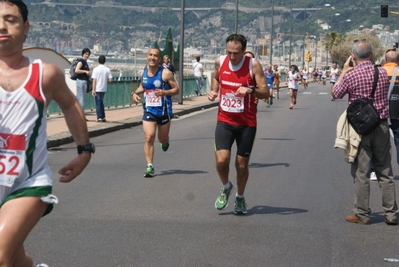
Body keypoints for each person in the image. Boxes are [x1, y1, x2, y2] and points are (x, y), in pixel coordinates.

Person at [0, 1, 93, 266]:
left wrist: (84, 151)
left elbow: (70, 104)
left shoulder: (45, 74)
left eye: (10, 19)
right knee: (13, 256)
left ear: (26, 27)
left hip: (27, 181)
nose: (1, 26)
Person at [332, 40, 398, 225]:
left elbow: (335, 93)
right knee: (385, 170)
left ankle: (362, 213)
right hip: (382, 125)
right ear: (371, 54)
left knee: (362, 171)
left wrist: (345, 70)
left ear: (352, 56)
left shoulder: (351, 76)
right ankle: (391, 213)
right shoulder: (383, 72)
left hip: (360, 128)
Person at [208, 34, 269, 215]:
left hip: (247, 123)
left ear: (244, 51)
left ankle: (240, 197)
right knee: (221, 160)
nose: (232, 57)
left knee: (241, 165)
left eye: (236, 53)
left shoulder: (253, 65)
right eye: (229, 52)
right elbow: (216, 78)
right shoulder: (220, 61)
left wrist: (250, 90)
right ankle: (226, 186)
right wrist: (213, 90)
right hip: (225, 120)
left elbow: (265, 92)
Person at [132, 48, 179, 178]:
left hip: (164, 111)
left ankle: (165, 141)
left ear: (159, 59)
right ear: (147, 57)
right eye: (150, 55)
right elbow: (143, 86)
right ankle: (149, 166)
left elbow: (176, 89)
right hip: (149, 110)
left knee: (161, 139)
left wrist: (165, 92)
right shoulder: (144, 72)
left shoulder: (166, 73)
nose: (152, 58)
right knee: (149, 137)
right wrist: (135, 93)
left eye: (155, 56)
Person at [383, 49, 399, 168]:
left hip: (381, 113)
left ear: (385, 60)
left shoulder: (379, 72)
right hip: (397, 113)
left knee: (379, 143)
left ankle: (376, 170)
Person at [91, 55, 113, 122]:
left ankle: (100, 117)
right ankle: (103, 116)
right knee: (101, 102)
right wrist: (105, 80)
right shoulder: (107, 69)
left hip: (97, 88)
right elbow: (111, 79)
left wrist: (93, 89)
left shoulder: (96, 69)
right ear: (104, 61)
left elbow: (94, 80)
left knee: (98, 103)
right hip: (104, 88)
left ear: (98, 61)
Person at [75, 47, 91, 120]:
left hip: (83, 81)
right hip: (81, 81)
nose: (87, 55)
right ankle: (81, 116)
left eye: (88, 54)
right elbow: (77, 70)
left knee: (80, 99)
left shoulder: (84, 61)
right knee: (81, 99)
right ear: (83, 54)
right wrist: (85, 71)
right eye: (86, 54)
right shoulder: (81, 61)